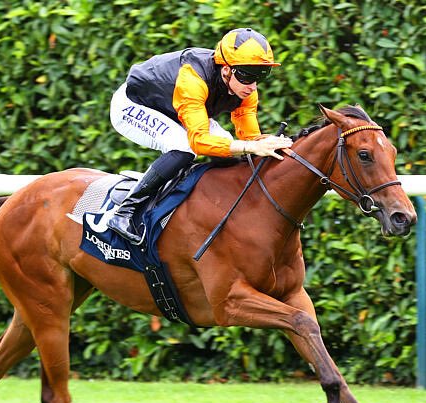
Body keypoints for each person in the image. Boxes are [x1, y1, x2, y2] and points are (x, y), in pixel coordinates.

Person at [108, 27, 293, 244]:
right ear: (226, 70)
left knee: (230, 151)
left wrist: (268, 143)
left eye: (261, 76)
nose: (252, 86)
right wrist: (250, 147)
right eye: (247, 75)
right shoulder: (193, 79)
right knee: (184, 148)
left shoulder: (246, 91)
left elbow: (250, 139)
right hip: (134, 104)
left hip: (176, 108)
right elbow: (199, 142)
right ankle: (125, 212)